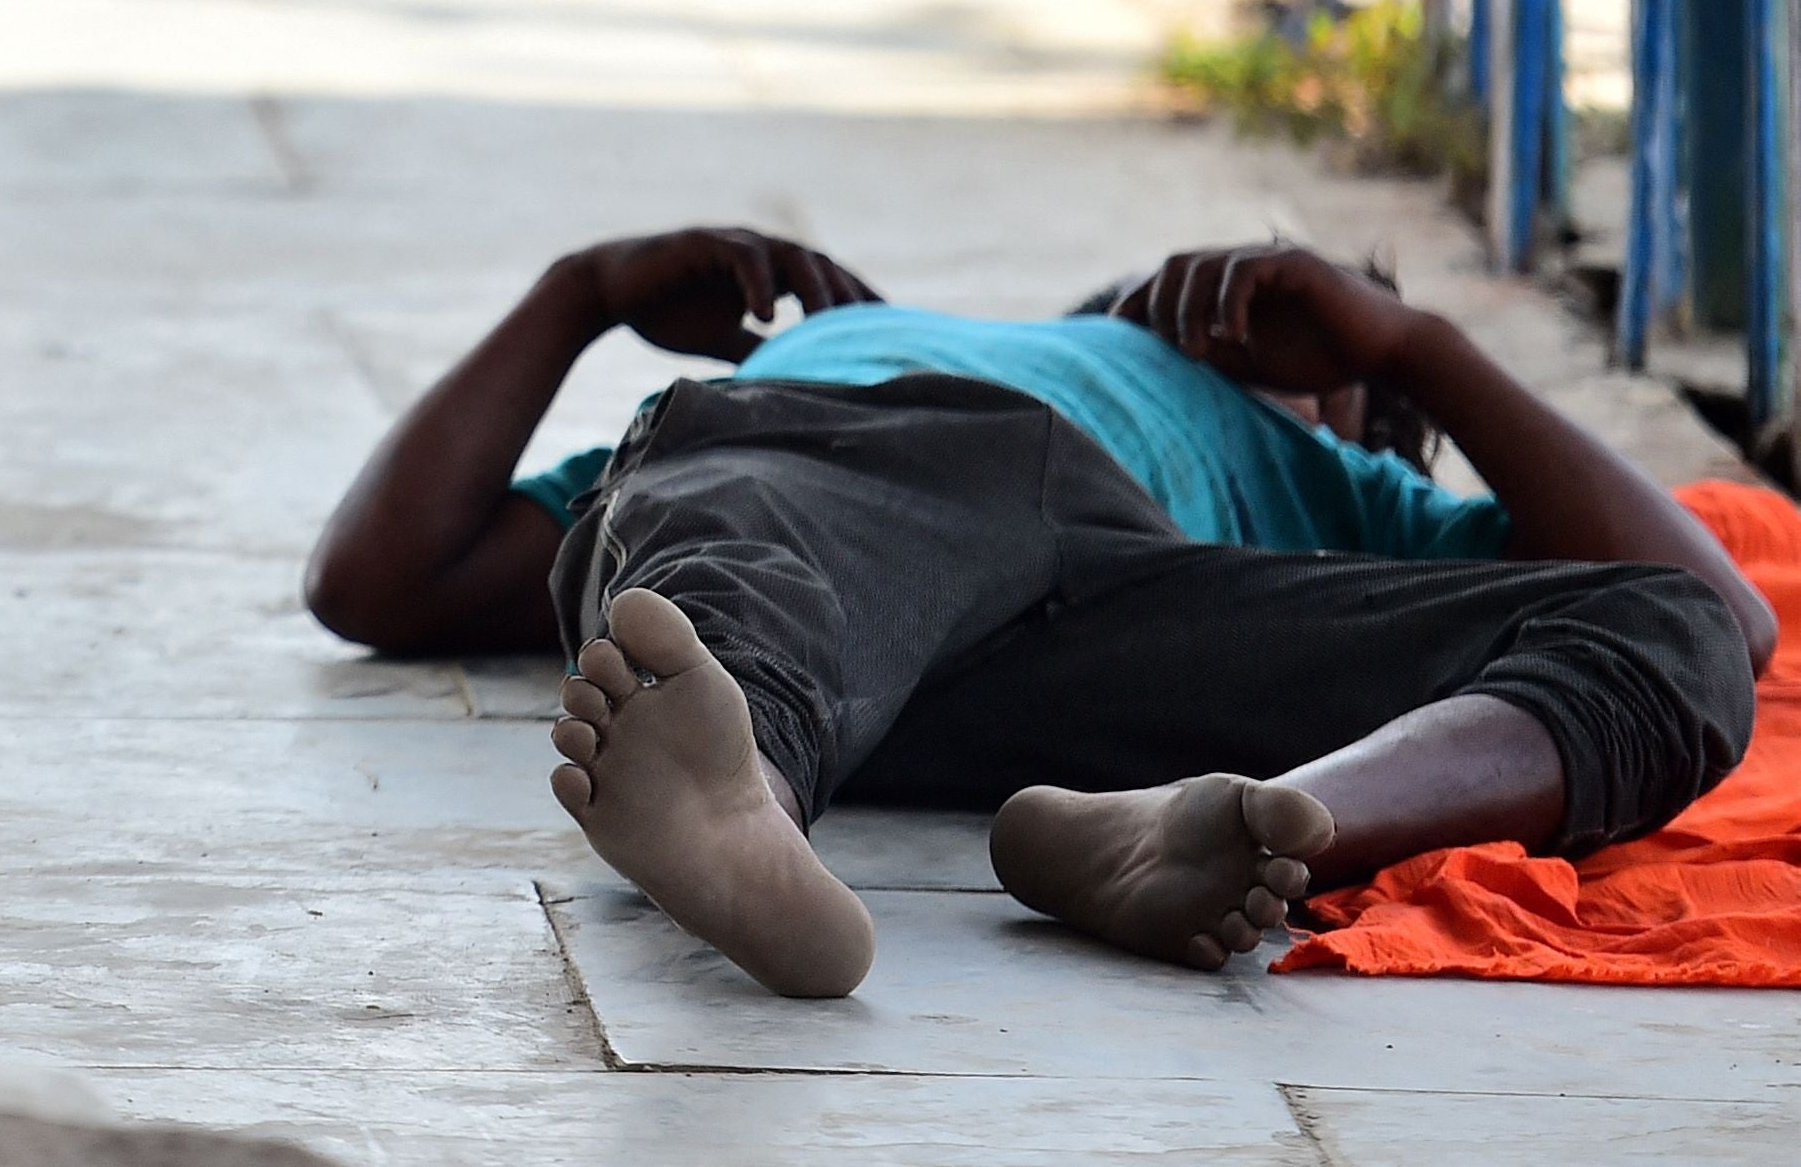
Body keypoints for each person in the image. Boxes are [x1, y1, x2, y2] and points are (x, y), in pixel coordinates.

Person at [303, 227, 1769, 1000]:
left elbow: (1719, 613)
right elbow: (377, 579)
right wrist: (581, 292)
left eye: (1305, 317)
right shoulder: (886, 347)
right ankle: (735, 796)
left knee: (1673, 641)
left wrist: (1413, 345)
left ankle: (1226, 819)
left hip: (1126, 629)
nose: (1248, 302)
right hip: (842, 494)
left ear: (1374, 426)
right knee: (740, 540)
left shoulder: (1350, 492)